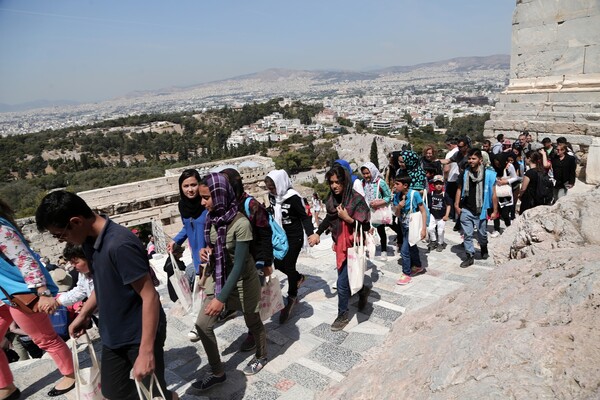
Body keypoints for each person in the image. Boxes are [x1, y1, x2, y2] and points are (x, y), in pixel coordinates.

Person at [35, 191, 176, 400]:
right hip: (113, 333)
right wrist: (84, 313)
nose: (61, 240)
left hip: (138, 334)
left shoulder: (119, 245)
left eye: (60, 234)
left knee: (153, 393)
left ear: (76, 221)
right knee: (112, 390)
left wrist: (146, 352)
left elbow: (150, 297)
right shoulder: (90, 241)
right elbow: (103, 285)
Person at [192, 173, 267, 391]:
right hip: (218, 277)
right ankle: (217, 371)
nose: (203, 202)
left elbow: (239, 264)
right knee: (203, 325)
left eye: (207, 197)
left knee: (253, 322)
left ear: (221, 194)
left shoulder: (241, 223)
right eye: (202, 197)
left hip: (242, 280)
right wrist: (205, 250)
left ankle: (261, 355)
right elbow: (212, 245)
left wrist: (221, 299)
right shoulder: (212, 218)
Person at [0, 199, 75, 400]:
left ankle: (71, 375)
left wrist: (42, 292)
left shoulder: (0, 229)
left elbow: (25, 260)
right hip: (3, 296)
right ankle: (5, 387)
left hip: (21, 294)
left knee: (45, 339)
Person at [308, 165, 371, 331]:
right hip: (340, 245)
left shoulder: (356, 199)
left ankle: (342, 314)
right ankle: (363, 291)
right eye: (331, 182)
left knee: (342, 283)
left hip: (353, 244)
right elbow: (329, 218)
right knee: (350, 277)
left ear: (345, 181)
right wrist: (318, 233)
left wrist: (348, 219)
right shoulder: (332, 199)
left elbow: (365, 226)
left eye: (338, 182)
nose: (334, 186)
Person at [221, 167, 273, 353]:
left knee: (251, 304)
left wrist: (265, 262)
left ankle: (254, 336)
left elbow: (265, 233)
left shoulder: (251, 205)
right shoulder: (226, 205)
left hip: (254, 261)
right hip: (236, 262)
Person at [265, 170, 314, 324]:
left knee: (289, 265)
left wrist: (311, 234)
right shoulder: (272, 196)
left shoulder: (293, 198)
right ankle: (298, 278)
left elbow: (304, 217)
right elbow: (272, 211)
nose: (271, 191)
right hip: (280, 237)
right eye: (269, 188)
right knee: (279, 263)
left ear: (280, 184)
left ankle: (292, 295)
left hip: (295, 237)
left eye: (273, 187)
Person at [167, 169, 208, 340]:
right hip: (197, 257)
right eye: (186, 186)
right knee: (203, 291)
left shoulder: (207, 204)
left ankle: (200, 325)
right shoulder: (183, 206)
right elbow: (187, 226)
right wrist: (176, 240)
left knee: (202, 292)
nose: (190, 189)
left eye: (193, 184)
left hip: (210, 256)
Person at [454, 149, 499, 268]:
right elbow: (459, 189)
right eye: (469, 158)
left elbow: (494, 194)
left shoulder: (488, 175)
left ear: (480, 160)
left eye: (473, 158)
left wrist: (495, 210)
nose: (471, 161)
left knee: (482, 234)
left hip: (481, 209)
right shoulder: (465, 174)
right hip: (467, 208)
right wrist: (456, 205)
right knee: (467, 235)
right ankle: (469, 256)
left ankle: (483, 247)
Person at [392, 173, 427, 285]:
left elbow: (423, 211)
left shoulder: (415, 195)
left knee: (404, 251)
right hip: (404, 226)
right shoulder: (397, 196)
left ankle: (406, 274)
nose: (395, 186)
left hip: (413, 226)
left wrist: (424, 229)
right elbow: (397, 214)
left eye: (397, 184)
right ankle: (417, 266)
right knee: (412, 246)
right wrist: (399, 207)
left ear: (405, 185)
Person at [360, 162, 392, 260]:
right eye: (364, 173)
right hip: (367, 212)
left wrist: (378, 203)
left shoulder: (380, 182)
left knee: (381, 231)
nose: (366, 176)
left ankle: (383, 250)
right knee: (366, 230)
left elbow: (389, 197)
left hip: (378, 211)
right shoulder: (363, 182)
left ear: (372, 171)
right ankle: (368, 248)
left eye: (367, 173)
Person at [490, 153, 519, 237]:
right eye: (495, 162)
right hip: (495, 192)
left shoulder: (509, 166)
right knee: (496, 211)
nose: (497, 164)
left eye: (498, 162)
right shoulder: (492, 168)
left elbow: (515, 177)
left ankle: (508, 225)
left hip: (505, 193)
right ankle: (496, 229)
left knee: (505, 213)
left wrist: (506, 181)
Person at [427, 175, 451, 252]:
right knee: (430, 229)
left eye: (440, 184)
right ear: (433, 185)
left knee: (440, 231)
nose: (438, 186)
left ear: (443, 185)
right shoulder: (431, 194)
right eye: (437, 184)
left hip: (441, 216)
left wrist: (446, 215)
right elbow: (429, 205)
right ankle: (433, 241)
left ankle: (440, 243)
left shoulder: (445, 195)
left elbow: (448, 205)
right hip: (433, 215)